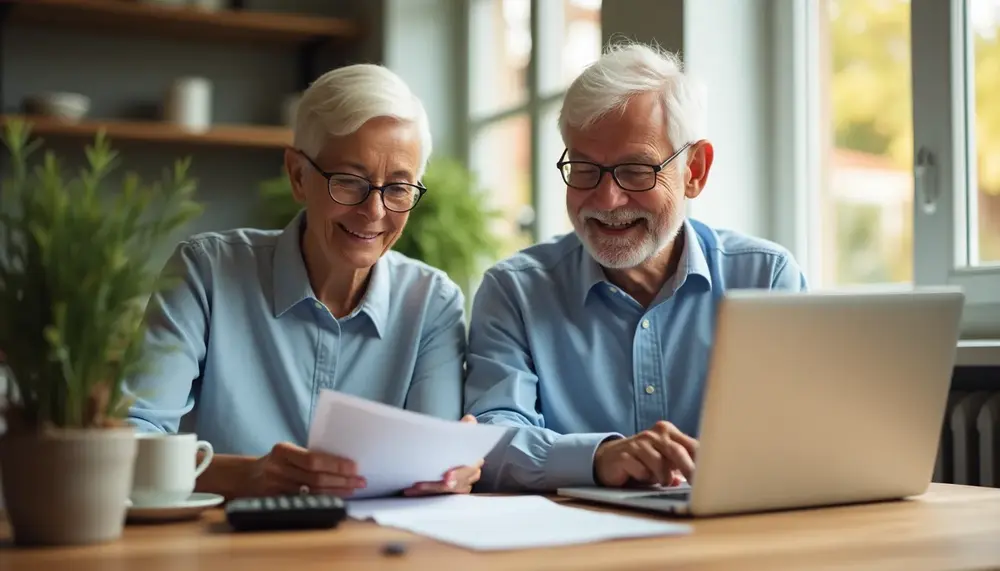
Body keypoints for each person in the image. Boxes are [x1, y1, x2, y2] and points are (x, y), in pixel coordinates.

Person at [463, 42, 808, 492]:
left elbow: (801, 433)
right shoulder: (515, 292)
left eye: (637, 170)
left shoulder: (766, 279)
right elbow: (490, 437)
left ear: (695, 171)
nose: (607, 201)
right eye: (585, 169)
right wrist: (598, 458)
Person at [126, 64, 481, 500]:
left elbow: (428, 466)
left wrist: (447, 472)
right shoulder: (206, 272)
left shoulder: (433, 302)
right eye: (349, 182)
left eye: (398, 188)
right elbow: (131, 443)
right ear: (298, 175)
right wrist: (245, 477)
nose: (374, 212)